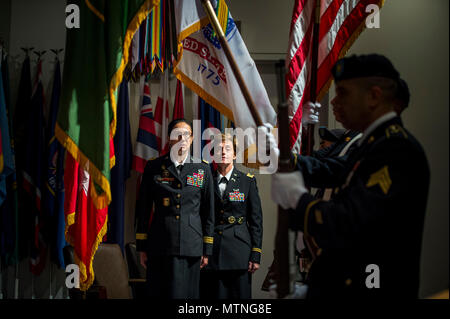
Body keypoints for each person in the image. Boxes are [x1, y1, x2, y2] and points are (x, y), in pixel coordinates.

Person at [267, 54, 430, 298]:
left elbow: (350, 223)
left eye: (343, 92)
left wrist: (299, 200)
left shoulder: (396, 149)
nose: (334, 101)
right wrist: (288, 160)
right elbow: (333, 170)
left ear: (374, 96)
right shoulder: (372, 144)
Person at [135, 119, 215, 298]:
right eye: (177, 134)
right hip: (160, 244)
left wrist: (207, 249)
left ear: (192, 139)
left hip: (191, 246)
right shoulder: (154, 167)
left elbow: (208, 212)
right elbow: (143, 208)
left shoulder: (202, 169)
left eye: (187, 135)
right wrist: (142, 246)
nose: (182, 139)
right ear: (170, 139)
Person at [200, 134, 263, 299]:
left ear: (234, 154)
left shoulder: (247, 181)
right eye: (219, 149)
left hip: (239, 252)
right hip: (210, 253)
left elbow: (256, 220)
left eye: (227, 149)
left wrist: (255, 253)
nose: (223, 152)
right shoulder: (205, 181)